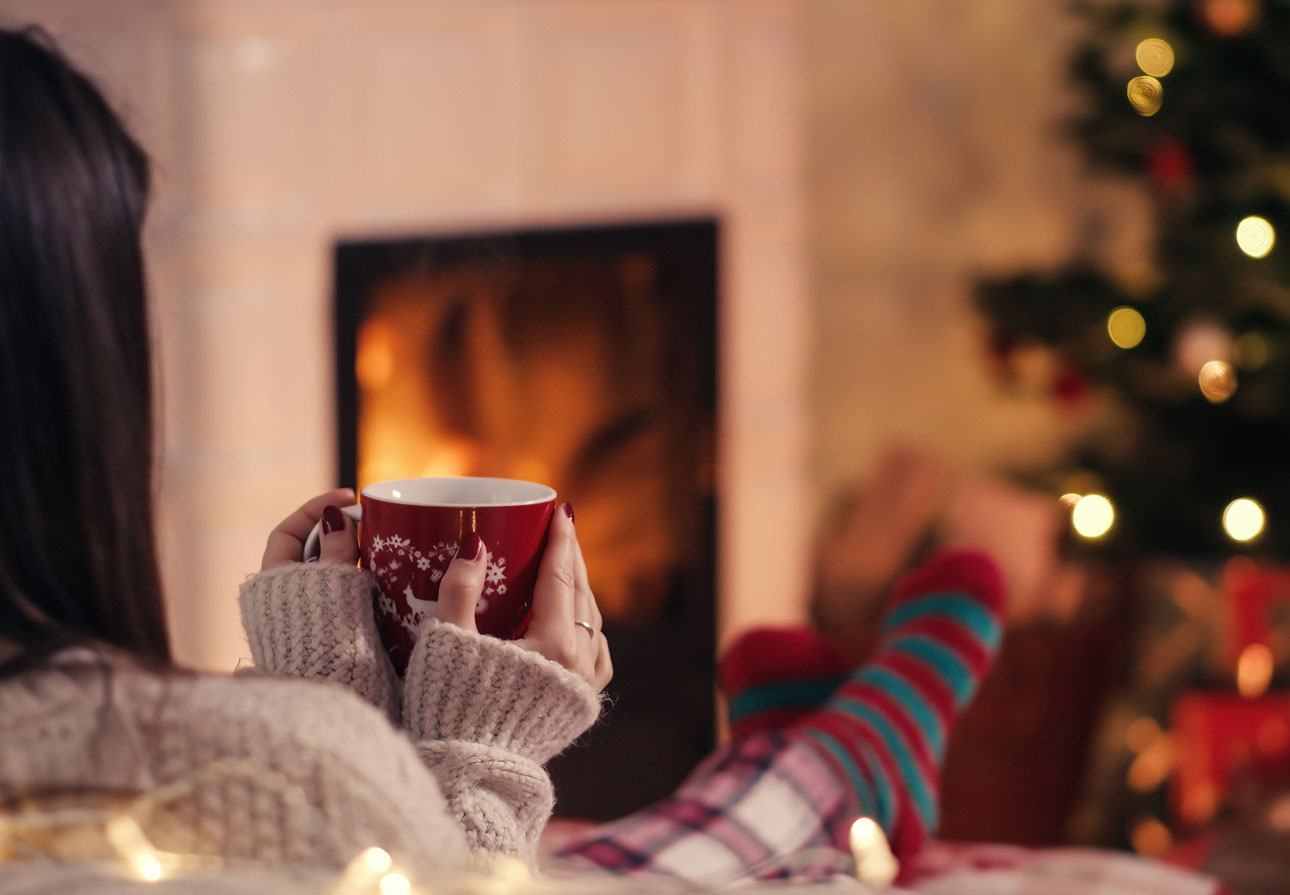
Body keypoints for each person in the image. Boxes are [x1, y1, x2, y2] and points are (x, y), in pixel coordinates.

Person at [0, 24, 1004, 888]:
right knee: (644, 871)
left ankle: (822, 752)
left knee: (629, 857)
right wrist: (472, 742)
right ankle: (860, 752)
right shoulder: (224, 769)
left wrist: (338, 724)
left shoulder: (221, 771)